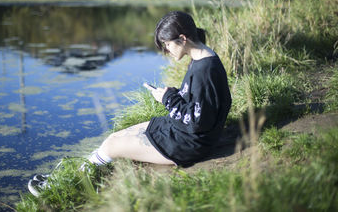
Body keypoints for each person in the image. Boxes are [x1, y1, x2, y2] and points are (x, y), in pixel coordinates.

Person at [28, 11, 232, 196]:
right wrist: (174, 94)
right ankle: (62, 178)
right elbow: (201, 104)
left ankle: (60, 186)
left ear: (183, 39)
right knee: (117, 136)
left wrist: (168, 100)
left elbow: (198, 121)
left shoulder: (205, 70)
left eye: (167, 45)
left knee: (111, 145)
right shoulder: (202, 57)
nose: (166, 51)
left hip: (188, 145)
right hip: (181, 132)